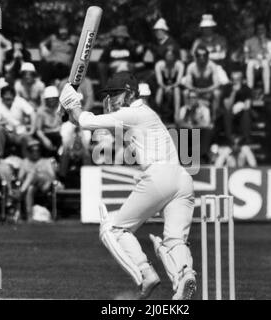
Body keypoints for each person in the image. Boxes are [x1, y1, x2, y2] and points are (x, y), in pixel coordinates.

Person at [59, 71, 196, 300]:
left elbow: (87, 121)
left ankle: (144, 273)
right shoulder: (140, 114)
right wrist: (72, 112)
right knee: (174, 240)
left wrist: (73, 102)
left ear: (130, 93)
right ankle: (184, 277)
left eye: (115, 94)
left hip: (160, 176)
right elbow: (86, 122)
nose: (111, 99)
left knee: (113, 228)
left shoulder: (133, 113)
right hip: (182, 180)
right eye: (109, 94)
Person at [183, 45, 228, 123]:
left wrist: (206, 90)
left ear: (207, 56)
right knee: (185, 92)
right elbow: (187, 83)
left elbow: (217, 83)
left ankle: (214, 117)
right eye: (199, 55)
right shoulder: (191, 67)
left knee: (217, 93)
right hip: (195, 91)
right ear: (195, 56)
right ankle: (188, 114)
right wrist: (196, 90)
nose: (202, 57)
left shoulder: (212, 66)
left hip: (209, 92)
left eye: (204, 55)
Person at [0, 86, 36, 157]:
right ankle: (0, 152)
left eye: (10, 96)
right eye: (6, 97)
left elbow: (32, 113)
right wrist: (4, 122)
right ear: (2, 97)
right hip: (7, 134)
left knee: (29, 140)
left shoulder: (19, 101)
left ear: (14, 96)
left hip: (21, 133)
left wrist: (32, 130)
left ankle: (27, 160)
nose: (8, 98)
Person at [18, 140, 58, 219]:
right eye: (33, 150)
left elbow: (52, 176)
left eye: (37, 150)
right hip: (31, 185)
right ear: (29, 152)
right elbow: (20, 177)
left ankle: (20, 193)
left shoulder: (46, 161)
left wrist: (39, 173)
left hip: (44, 186)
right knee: (30, 188)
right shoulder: (25, 162)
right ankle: (29, 216)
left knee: (33, 173)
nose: (35, 152)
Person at [244, 20, 271, 95]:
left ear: (266, 30)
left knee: (265, 63)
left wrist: (263, 46)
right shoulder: (248, 41)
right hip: (253, 62)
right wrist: (252, 60)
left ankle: (267, 91)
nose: (260, 31)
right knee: (250, 64)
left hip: (265, 63)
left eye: (262, 29)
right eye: (259, 29)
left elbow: (270, 57)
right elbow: (246, 55)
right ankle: (249, 90)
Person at [39, 20, 77, 85]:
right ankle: (44, 89)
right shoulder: (52, 38)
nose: (63, 33)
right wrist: (44, 51)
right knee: (47, 69)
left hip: (66, 67)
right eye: (61, 30)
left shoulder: (73, 38)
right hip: (51, 65)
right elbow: (42, 44)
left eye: (65, 30)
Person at [222, 66, 252, 144]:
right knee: (227, 113)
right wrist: (233, 92)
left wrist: (240, 106)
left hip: (242, 113)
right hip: (229, 112)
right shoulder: (227, 89)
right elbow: (227, 106)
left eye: (238, 79)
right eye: (234, 79)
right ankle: (229, 138)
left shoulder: (246, 89)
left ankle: (245, 138)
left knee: (246, 114)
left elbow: (248, 105)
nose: (236, 81)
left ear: (242, 80)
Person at [155, 46, 185, 124]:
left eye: (171, 55)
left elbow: (178, 81)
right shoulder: (159, 65)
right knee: (160, 90)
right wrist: (166, 87)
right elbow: (159, 82)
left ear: (175, 56)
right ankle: (156, 115)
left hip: (176, 87)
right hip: (163, 87)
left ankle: (176, 116)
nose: (169, 57)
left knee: (176, 90)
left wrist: (170, 87)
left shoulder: (179, 65)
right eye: (168, 55)